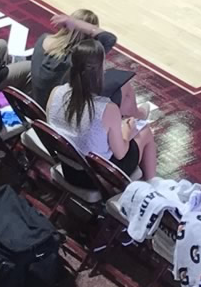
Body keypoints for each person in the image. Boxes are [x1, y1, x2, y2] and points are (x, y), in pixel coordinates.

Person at [47, 39, 157, 181]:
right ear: (100, 70)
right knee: (145, 131)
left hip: (67, 167)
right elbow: (120, 153)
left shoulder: (56, 92)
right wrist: (127, 133)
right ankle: (152, 187)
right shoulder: (107, 109)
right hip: (96, 177)